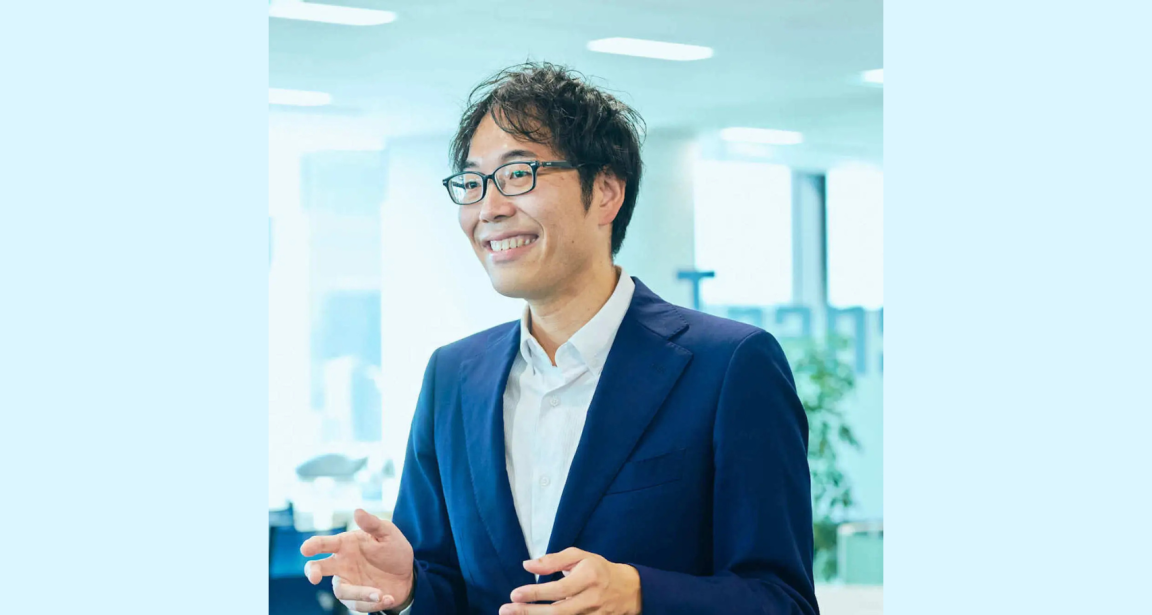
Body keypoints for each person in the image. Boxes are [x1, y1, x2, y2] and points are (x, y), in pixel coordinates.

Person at [300, 62, 818, 615]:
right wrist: (409, 591)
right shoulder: (453, 377)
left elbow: (782, 599)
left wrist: (639, 594)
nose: (490, 208)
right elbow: (451, 583)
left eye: (518, 174)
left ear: (607, 193)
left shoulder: (729, 366)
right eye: (473, 183)